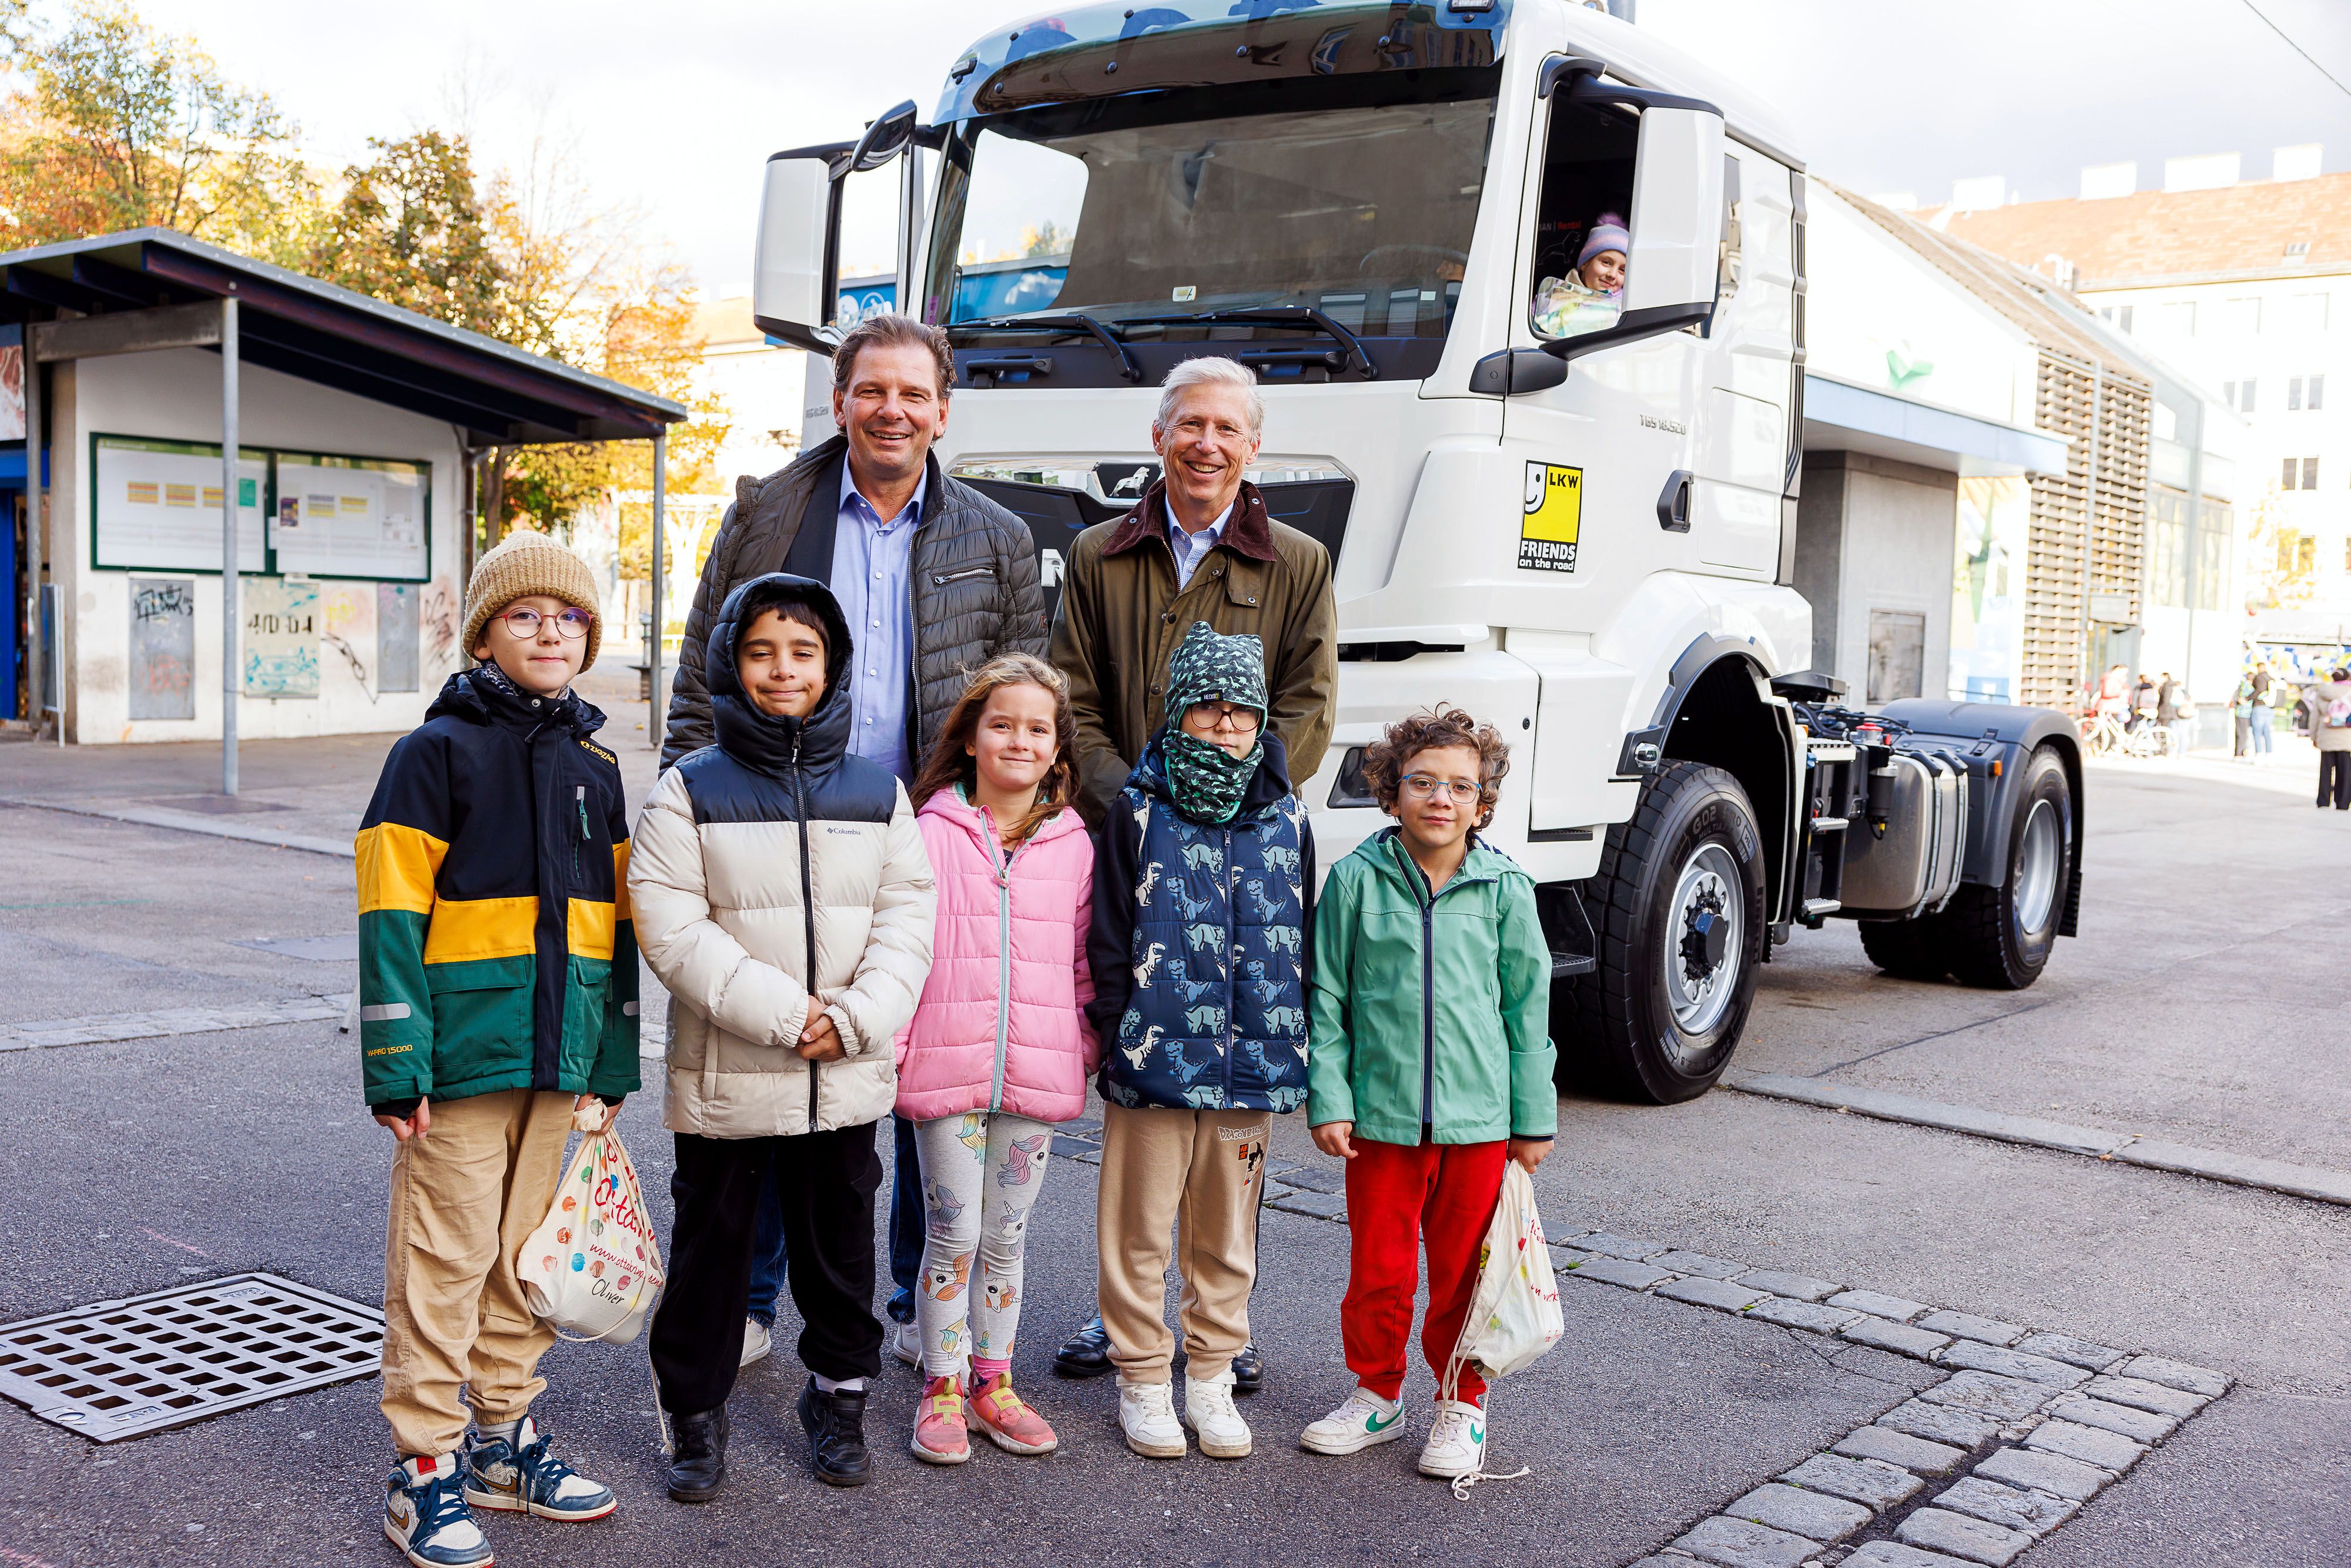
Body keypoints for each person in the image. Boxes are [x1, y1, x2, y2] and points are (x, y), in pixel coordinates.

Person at [666, 313, 1044, 1372]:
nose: (892, 411)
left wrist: (1005, 825)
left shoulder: (997, 536)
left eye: (913, 394)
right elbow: (704, 667)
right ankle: (750, 1297)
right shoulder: (768, 510)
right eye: (872, 391)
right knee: (784, 1061)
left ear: (942, 409)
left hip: (924, 835)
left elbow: (1020, 692)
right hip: (779, 824)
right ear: (841, 402)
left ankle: (921, 1294)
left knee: (925, 1074)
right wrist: (690, 802)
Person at [1048, 354, 1338, 1386]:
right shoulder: (1097, 553)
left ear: (1254, 446)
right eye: (1189, 425)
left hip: (1241, 848)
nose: (1206, 443)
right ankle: (1120, 1315)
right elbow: (1072, 694)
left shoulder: (1296, 560)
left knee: (1230, 1097)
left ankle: (1222, 1323)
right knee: (1142, 1080)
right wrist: (1135, 797)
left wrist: (1240, 795)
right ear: (1159, 436)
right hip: (1127, 841)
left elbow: (1310, 701)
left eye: (1227, 427)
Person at [357, 530, 639, 1568]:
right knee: (442, 1261)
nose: (549, 630)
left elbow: (616, 924)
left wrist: (611, 1057)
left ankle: (504, 1442)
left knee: (527, 1260)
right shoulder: (431, 754)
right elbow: (389, 910)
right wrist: (396, 1060)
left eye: (568, 616)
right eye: (524, 614)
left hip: (559, 1061)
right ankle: (422, 1467)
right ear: (483, 633)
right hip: (464, 1061)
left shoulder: (597, 764)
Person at [632, 574, 936, 1499]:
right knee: (713, 1253)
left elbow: (909, 916)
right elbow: (669, 921)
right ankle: (694, 1410)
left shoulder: (878, 792)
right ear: (733, 662)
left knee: (842, 1252)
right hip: (731, 1073)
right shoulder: (691, 788)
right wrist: (785, 1013)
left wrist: (851, 1019)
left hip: (842, 1074)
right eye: (762, 651)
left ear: (833, 664)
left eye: (803, 651)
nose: (782, 669)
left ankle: (838, 1398)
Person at [1300, 706, 1556, 1482]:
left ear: (1482, 804)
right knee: (1379, 1269)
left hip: (1479, 1126)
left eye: (1460, 787)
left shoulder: (1506, 888)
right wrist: (1330, 1098)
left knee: (1464, 1275)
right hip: (1378, 1121)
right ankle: (1377, 1395)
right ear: (1391, 793)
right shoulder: (1353, 881)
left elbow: (1526, 1011)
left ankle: (1462, 1401)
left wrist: (1531, 1119)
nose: (1440, 799)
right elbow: (1328, 1000)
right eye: (1422, 783)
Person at [1084, 622, 1314, 1461]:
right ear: (1178, 713)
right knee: (1139, 1228)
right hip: (1153, 1059)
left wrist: (1298, 1045)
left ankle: (1211, 1376)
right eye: (1207, 709)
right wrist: (1116, 1035)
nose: (1225, 725)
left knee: (1226, 1232)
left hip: (1251, 1065)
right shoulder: (1137, 814)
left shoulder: (1288, 816)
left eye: (1241, 711)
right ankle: (1143, 1378)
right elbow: (1109, 935)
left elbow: (1304, 933)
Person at [893, 654, 1098, 1465]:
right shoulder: (925, 832)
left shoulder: (1075, 843)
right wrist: (899, 1050)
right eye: (1002, 724)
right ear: (972, 738)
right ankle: (940, 1385)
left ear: (1058, 749)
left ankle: (993, 1382)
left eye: (1037, 728)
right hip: (945, 1071)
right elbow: (900, 949)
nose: (1019, 739)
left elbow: (1085, 957)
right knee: (953, 1232)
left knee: (1007, 1234)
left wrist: (1080, 1044)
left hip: (1036, 1071)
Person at [1531, 212, 1628, 338]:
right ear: (1585, 263)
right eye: (1606, 262)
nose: (1612, 275)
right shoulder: (1552, 296)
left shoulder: (1625, 312)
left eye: (1622, 270)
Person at [2311, 666, 2351, 809]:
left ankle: (2323, 801)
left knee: (2326, 770)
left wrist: (2313, 735)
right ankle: (2343, 802)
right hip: (2347, 737)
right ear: (2347, 678)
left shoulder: (2323, 692)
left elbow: (2315, 716)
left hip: (2326, 735)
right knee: (2345, 771)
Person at [2250, 661, 2276, 755]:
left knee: (2257, 732)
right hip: (2270, 707)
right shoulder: (2271, 679)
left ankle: (2259, 753)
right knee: (2267, 732)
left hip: (2259, 706)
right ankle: (2269, 754)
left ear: (2259, 668)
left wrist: (2248, 698)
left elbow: (2258, 691)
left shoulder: (2259, 678)